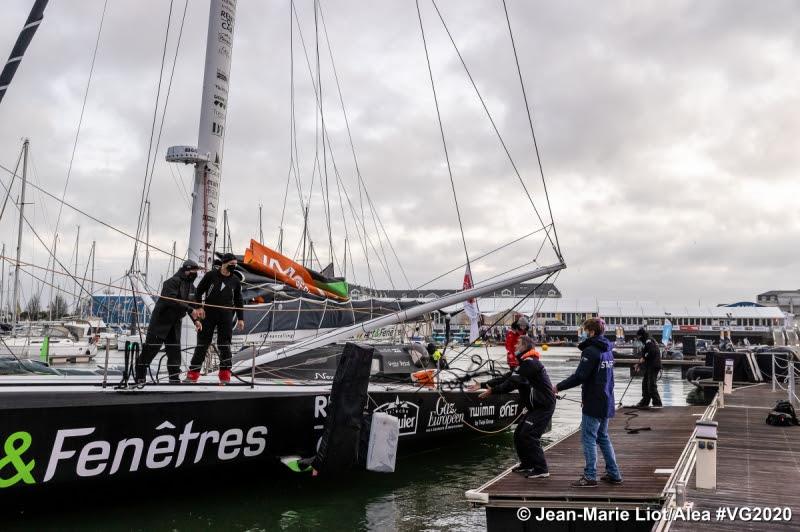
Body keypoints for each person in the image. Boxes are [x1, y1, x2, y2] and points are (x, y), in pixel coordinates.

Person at [554, 317, 622, 487]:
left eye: (585, 331)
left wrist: (558, 387)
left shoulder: (591, 351)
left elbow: (580, 376)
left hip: (594, 401)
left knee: (588, 438)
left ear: (591, 332)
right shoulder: (607, 350)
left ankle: (590, 476)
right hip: (606, 399)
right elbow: (610, 379)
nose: (584, 334)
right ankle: (614, 474)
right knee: (603, 437)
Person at [480, 335, 554, 478]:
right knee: (519, 434)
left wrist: (492, 391)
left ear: (525, 346)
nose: (515, 346)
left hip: (543, 406)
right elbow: (506, 378)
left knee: (529, 435)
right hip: (535, 406)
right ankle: (527, 464)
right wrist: (483, 385)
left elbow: (511, 383)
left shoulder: (530, 363)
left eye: (518, 344)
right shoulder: (523, 364)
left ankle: (541, 469)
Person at [134, 260, 203, 384]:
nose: (195, 274)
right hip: (161, 322)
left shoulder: (191, 287)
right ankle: (140, 375)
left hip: (175, 323)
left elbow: (192, 305)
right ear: (187, 271)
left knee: (174, 352)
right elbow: (171, 301)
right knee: (151, 349)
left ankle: (174, 377)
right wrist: (190, 310)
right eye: (194, 271)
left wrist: (196, 321)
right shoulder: (171, 282)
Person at [187, 253, 245, 384]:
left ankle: (225, 375)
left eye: (235, 265)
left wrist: (241, 318)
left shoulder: (235, 280)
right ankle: (193, 374)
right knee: (203, 344)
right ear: (224, 263)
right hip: (209, 313)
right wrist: (199, 307)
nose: (234, 267)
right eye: (231, 264)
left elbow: (238, 300)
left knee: (224, 345)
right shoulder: (211, 275)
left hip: (226, 315)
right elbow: (198, 292)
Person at [635, 327, 662, 408]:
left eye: (639, 337)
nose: (639, 339)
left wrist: (644, 358)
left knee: (651, 385)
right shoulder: (647, 341)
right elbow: (645, 354)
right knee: (645, 384)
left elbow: (652, 352)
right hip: (649, 365)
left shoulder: (649, 341)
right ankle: (645, 401)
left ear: (641, 335)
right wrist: (639, 364)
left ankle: (657, 403)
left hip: (654, 366)